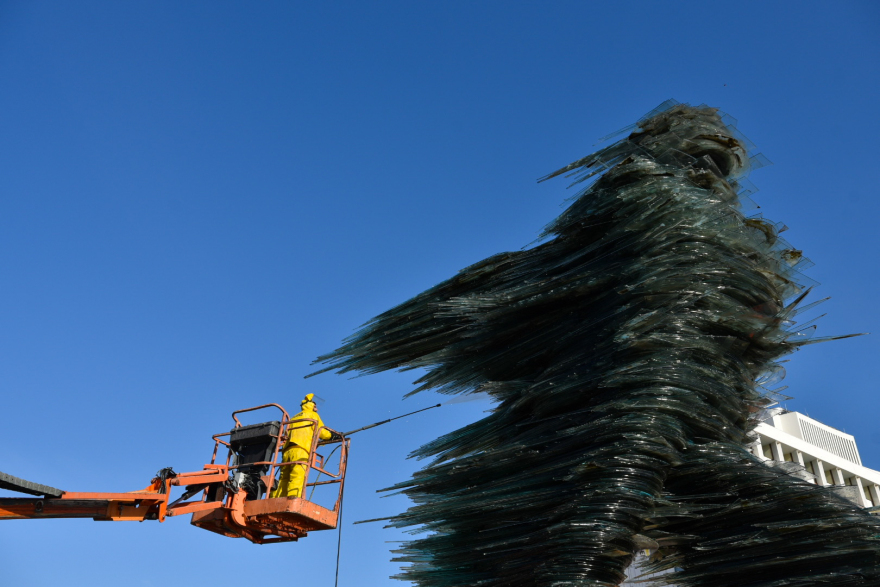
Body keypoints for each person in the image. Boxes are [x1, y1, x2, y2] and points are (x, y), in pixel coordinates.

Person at [270, 393, 332, 499]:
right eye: (315, 405)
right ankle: (292, 499)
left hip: (287, 451)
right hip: (301, 450)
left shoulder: (293, 418)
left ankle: (275, 500)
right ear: (311, 405)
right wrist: (331, 436)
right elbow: (322, 432)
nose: (317, 408)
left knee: (284, 478)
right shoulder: (312, 415)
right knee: (297, 476)